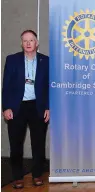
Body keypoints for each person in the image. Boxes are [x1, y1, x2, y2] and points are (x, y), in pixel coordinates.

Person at [2, 30, 49, 189]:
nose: (28, 43)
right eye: (25, 40)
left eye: (31, 40)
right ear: (21, 43)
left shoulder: (46, 61)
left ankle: (37, 175)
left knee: (38, 144)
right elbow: (6, 86)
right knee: (16, 145)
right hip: (17, 107)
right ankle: (17, 177)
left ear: (37, 43)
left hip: (38, 106)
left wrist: (48, 107)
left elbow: (50, 87)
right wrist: (6, 107)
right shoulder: (12, 60)